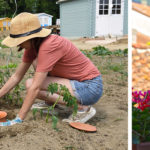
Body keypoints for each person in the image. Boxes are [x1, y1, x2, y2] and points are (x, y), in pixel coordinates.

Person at [0, 12, 103, 126]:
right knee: (35, 63)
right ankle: (50, 103)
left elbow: (35, 87)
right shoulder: (33, 46)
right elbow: (16, 76)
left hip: (90, 87)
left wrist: (18, 119)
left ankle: (83, 108)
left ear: (30, 37)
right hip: (75, 84)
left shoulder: (49, 45)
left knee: (31, 85)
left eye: (19, 41)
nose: (17, 44)